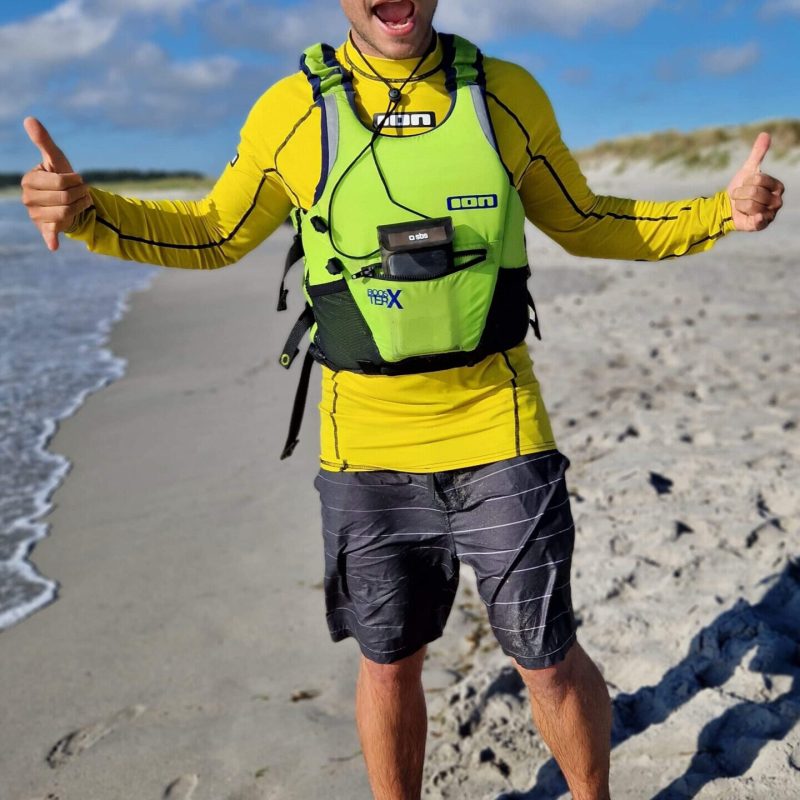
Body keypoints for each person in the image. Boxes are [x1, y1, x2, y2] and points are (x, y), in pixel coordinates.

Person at [20, 1, 784, 798]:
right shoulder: (293, 112)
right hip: (368, 445)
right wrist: (91, 215)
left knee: (546, 655)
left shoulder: (506, 96)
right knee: (388, 664)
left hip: (499, 424)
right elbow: (216, 232)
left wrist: (715, 215)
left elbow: (588, 221)